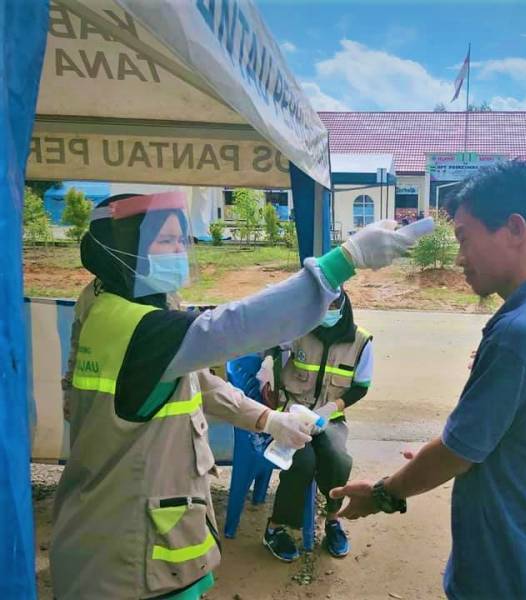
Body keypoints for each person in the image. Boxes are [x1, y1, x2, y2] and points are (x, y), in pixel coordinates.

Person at [51, 191, 428, 600]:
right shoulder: (141, 329)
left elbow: (196, 381)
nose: (179, 252)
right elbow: (238, 326)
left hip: (125, 540)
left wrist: (269, 420)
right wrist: (345, 260)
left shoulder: (103, 304)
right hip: (133, 559)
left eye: (182, 241)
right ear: (124, 249)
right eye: (166, 242)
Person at [331, 161, 526, 600]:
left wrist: (383, 492)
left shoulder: (523, 331)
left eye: (464, 238)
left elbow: (457, 453)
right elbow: (504, 435)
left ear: (514, 229)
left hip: (515, 576)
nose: (459, 258)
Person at [247, 290, 373, 562]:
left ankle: (333, 520)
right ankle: (276, 527)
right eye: (322, 305)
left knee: (338, 459)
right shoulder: (299, 329)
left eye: (333, 304)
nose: (327, 310)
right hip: (290, 415)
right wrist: (269, 362)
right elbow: (269, 345)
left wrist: (331, 409)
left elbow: (360, 387)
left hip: (330, 419)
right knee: (302, 462)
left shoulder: (361, 342)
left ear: (343, 306)